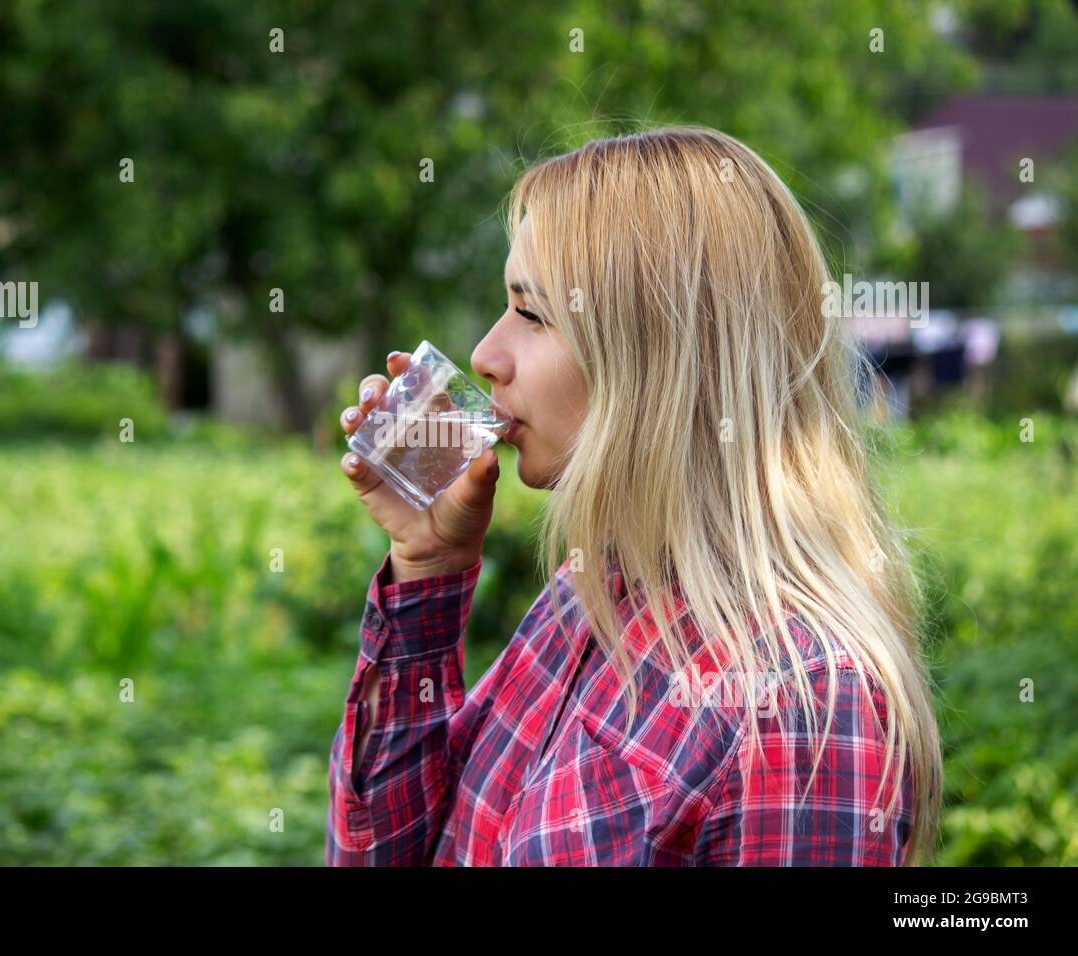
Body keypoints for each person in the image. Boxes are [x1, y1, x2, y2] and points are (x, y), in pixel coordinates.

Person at [328, 126, 942, 866]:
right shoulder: (590, 595)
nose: (486, 355)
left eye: (532, 314)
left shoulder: (801, 705)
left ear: (660, 354)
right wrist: (427, 566)